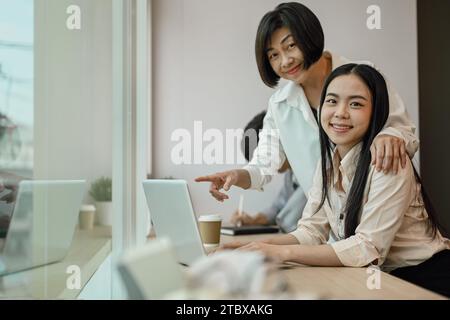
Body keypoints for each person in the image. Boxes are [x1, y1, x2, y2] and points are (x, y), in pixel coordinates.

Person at [222, 63, 450, 297]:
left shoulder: (388, 159)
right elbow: (311, 231)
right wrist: (254, 248)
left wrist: (283, 253)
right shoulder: (329, 162)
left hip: (426, 278)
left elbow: (368, 248)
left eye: (356, 104)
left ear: (376, 112)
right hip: (381, 277)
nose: (340, 112)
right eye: (331, 101)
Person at [195, 2, 418, 215]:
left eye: (290, 46)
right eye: (273, 55)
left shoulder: (365, 75)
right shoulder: (279, 106)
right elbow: (263, 166)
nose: (285, 61)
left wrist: (390, 135)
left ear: (309, 36)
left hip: (386, 220)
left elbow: (403, 129)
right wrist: (236, 175)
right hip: (331, 235)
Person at [230, 110, 306, 232]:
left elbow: (287, 221)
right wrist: (254, 220)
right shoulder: (290, 173)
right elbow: (278, 206)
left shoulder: (312, 168)